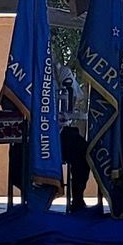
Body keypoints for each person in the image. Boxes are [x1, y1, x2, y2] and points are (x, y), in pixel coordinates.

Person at [7, 60, 90, 211]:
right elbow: (8, 102)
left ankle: (78, 198)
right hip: (31, 135)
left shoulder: (61, 73)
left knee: (82, 149)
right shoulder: (21, 72)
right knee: (18, 153)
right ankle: (32, 198)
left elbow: (74, 98)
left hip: (59, 134)